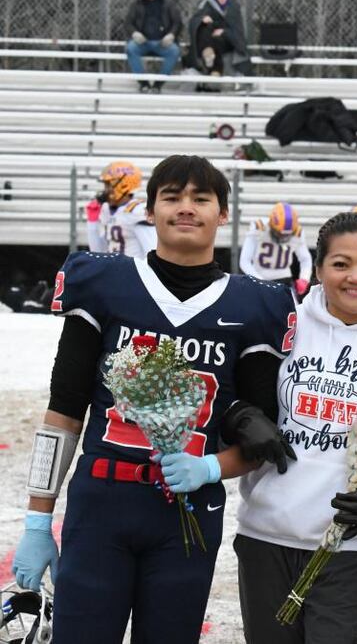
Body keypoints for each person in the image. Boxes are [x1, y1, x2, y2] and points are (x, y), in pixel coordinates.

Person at [10, 155, 297, 642]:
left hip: (188, 509)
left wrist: (210, 469)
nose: (186, 208)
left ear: (222, 214)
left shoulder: (255, 304)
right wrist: (38, 519)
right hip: (103, 497)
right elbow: (64, 411)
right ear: (150, 209)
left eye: (201, 198)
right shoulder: (104, 281)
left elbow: (260, 437)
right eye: (172, 197)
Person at [234, 211, 357, 643]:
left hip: (352, 547)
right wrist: (240, 417)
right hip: (266, 536)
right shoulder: (286, 324)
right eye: (340, 264)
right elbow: (240, 397)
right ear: (318, 268)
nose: (355, 277)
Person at [238, 201, 313, 297]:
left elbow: (305, 259)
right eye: (280, 234)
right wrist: (260, 281)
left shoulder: (297, 232)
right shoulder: (259, 228)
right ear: (271, 225)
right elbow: (244, 261)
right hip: (258, 278)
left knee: (292, 310)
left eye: (287, 235)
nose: (284, 238)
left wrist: (304, 278)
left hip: (284, 280)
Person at [86, 160, 158, 258]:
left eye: (108, 185)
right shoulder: (107, 210)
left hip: (133, 271)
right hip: (114, 270)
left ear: (123, 185)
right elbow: (98, 253)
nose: (105, 190)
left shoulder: (137, 211)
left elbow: (151, 250)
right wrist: (92, 223)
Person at [123, 0, 183, 93]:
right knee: (131, 48)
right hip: (142, 42)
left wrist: (171, 35)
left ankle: (158, 84)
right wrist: (134, 33)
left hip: (162, 43)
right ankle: (143, 83)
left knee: (174, 51)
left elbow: (177, 23)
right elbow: (128, 23)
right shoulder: (137, 5)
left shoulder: (168, 4)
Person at [188, 0, 251, 82]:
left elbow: (237, 30)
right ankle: (209, 53)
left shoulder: (233, 7)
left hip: (229, 41)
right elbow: (194, 21)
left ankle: (215, 69)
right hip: (211, 39)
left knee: (215, 40)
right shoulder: (208, 5)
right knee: (204, 29)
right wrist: (203, 19)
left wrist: (224, 32)